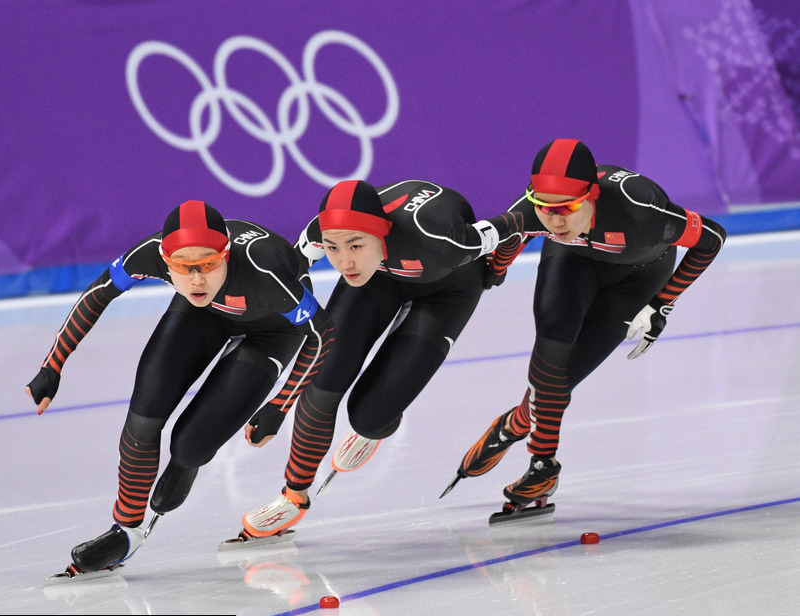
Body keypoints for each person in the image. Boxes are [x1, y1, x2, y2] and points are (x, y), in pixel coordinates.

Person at [26, 200, 335, 575]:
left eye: (208, 264)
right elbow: (98, 294)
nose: (197, 279)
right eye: (183, 268)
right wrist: (53, 365)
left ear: (226, 254)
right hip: (200, 314)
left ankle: (187, 460)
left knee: (190, 445)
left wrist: (280, 404)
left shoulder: (264, 268)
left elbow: (322, 334)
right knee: (143, 420)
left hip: (271, 332)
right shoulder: (150, 255)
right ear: (164, 260)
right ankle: (125, 532)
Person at [441, 138, 727, 514]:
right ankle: (543, 466)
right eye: (544, 209)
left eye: (566, 209)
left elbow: (712, 238)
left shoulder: (640, 210)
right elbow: (514, 232)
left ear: (592, 195)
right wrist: (496, 268)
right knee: (551, 351)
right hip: (571, 259)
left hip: (638, 278)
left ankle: (514, 424)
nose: (554, 220)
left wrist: (662, 303)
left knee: (564, 377)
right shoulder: (539, 213)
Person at [238, 179, 525, 539]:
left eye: (355, 245)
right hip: (379, 277)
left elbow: (515, 223)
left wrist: (495, 272)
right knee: (322, 385)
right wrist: (280, 404)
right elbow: (293, 290)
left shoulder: (445, 238)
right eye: (333, 248)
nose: (343, 261)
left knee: (370, 418)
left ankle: (377, 427)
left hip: (446, 287)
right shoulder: (323, 237)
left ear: (381, 233)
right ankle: (293, 498)